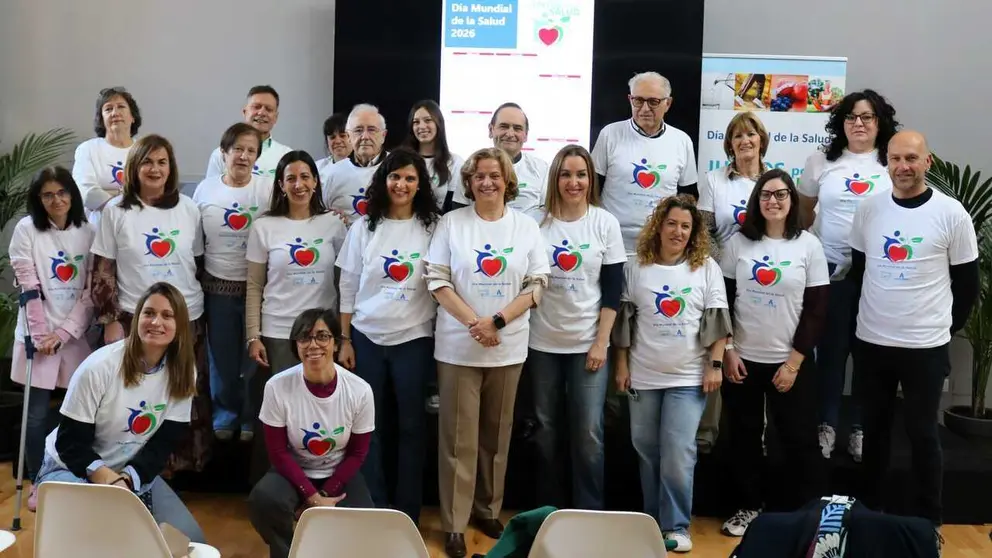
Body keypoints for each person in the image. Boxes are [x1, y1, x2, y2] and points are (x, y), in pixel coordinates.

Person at [849, 130, 978, 530]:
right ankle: (871, 514)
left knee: (923, 434)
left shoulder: (952, 213)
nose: (902, 167)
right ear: (886, 163)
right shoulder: (868, 209)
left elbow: (967, 286)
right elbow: (859, 273)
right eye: (895, 159)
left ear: (927, 162)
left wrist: (940, 329)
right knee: (875, 434)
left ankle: (929, 523)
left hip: (925, 346)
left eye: (911, 158)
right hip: (872, 342)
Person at [426, 147, 550, 558]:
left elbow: (537, 285)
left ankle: (488, 510)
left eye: (494, 175)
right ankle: (455, 523)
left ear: (507, 180)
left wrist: (496, 321)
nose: (487, 182)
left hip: (507, 349)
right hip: (458, 349)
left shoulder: (526, 227)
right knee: (458, 441)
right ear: (468, 182)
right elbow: (437, 281)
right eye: (478, 175)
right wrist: (474, 324)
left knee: (496, 437)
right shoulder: (451, 223)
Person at [34, 282, 206, 543]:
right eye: (149, 313)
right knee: (108, 539)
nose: (156, 322)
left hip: (127, 472)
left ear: (180, 325)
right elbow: (69, 444)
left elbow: (163, 443)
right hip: (72, 467)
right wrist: (111, 481)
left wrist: (128, 479)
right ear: (136, 318)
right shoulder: (99, 367)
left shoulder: (183, 371)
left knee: (190, 541)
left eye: (167, 315)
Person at [613, 194, 729, 553]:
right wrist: (621, 365)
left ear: (694, 233)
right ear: (659, 227)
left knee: (678, 452)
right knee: (647, 450)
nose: (678, 232)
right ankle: (652, 522)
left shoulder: (705, 267)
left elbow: (719, 321)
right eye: (672, 224)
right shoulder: (636, 267)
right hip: (644, 377)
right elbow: (625, 323)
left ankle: (677, 526)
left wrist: (715, 364)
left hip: (687, 378)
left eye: (685, 226)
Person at [719, 169, 829, 537]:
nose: (773, 201)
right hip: (743, 360)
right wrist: (729, 349)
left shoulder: (809, 246)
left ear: (792, 200)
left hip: (791, 362)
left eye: (781, 194)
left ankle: (800, 515)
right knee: (743, 438)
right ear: (757, 201)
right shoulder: (738, 244)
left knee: (798, 439)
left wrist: (795, 362)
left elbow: (816, 309)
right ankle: (748, 506)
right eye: (766, 195)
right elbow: (723, 301)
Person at [90, 134, 208, 472]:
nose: (155, 169)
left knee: (184, 390)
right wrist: (110, 319)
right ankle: (132, 467)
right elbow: (103, 269)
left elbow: (197, 263)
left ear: (171, 168)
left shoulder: (189, 209)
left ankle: (181, 466)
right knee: (137, 396)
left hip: (186, 316)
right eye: (147, 162)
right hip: (134, 318)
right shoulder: (116, 211)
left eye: (162, 162)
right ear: (134, 167)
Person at [334, 148, 439, 523]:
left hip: (414, 339)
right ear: (384, 180)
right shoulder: (364, 227)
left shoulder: (433, 227)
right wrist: (345, 338)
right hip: (366, 338)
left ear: (420, 184)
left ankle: (407, 511)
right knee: (368, 428)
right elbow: (348, 285)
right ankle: (373, 506)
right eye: (395, 177)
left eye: (410, 178)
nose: (402, 184)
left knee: (412, 427)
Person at [798, 89, 899, 462]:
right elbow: (804, 214)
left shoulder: (890, 163)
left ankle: (859, 428)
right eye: (851, 116)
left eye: (867, 117)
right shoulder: (821, 162)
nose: (859, 123)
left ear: (879, 123)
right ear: (841, 123)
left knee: (868, 356)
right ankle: (826, 424)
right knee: (831, 353)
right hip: (830, 272)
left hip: (877, 276)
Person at [527, 145, 625, 510]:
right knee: (545, 431)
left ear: (590, 179)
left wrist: (601, 342)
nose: (574, 182)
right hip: (541, 344)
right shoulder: (535, 222)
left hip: (588, 345)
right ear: (555, 178)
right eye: (566, 174)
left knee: (589, 434)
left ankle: (588, 511)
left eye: (581, 174)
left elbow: (613, 290)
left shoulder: (605, 222)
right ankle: (547, 512)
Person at [246, 151, 347, 481]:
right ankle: (273, 486)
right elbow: (254, 285)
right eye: (291, 178)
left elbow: (343, 282)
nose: (299, 184)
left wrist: (342, 335)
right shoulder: (264, 226)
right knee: (280, 414)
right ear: (281, 184)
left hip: (322, 335)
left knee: (317, 413)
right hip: (278, 334)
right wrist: (253, 335)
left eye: (305, 177)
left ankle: (315, 484)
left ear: (316, 181)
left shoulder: (333, 225)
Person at [248, 307, 375, 558]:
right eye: (304, 338)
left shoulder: (359, 390)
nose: (313, 344)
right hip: (292, 471)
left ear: (335, 344)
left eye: (322, 336)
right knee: (263, 500)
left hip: (338, 472)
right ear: (296, 346)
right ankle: (289, 551)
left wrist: (324, 495)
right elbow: (277, 453)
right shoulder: (277, 387)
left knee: (365, 520)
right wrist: (311, 496)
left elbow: (358, 453)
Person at [9, 167, 94, 507]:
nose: (56, 200)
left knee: (78, 411)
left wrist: (63, 332)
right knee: (35, 415)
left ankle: (70, 471)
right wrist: (42, 334)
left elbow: (90, 293)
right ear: (38, 199)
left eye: (62, 192)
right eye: (47, 194)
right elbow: (28, 287)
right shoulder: (26, 230)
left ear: (72, 194)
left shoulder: (89, 231)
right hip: (37, 335)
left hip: (73, 335)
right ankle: (37, 479)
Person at [192, 123, 273, 442]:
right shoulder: (205, 189)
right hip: (218, 286)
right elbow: (196, 242)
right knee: (221, 357)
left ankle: (252, 417)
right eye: (237, 149)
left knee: (255, 359)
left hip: (258, 289)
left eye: (251, 150)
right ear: (223, 153)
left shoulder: (268, 189)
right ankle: (225, 415)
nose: (244, 156)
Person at [696, 111, 770, 453]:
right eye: (737, 136)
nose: (745, 141)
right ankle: (708, 432)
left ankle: (760, 433)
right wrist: (721, 267)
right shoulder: (715, 180)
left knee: (755, 352)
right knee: (716, 349)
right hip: (721, 277)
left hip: (763, 278)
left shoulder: (774, 181)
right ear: (729, 144)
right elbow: (704, 231)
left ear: (761, 140)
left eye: (751, 135)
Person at [592, 72, 699, 256]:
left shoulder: (682, 141)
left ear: (668, 103)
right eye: (638, 101)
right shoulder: (610, 134)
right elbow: (592, 188)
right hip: (610, 243)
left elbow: (688, 198)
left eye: (653, 102)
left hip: (659, 247)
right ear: (630, 99)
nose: (645, 108)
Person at [452, 103, 549, 214]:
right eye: (504, 126)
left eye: (517, 128)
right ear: (491, 130)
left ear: (526, 135)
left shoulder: (542, 169)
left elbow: (548, 214)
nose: (510, 134)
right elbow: (458, 215)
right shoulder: (470, 168)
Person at [72, 86, 141, 227]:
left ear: (132, 117)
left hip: (138, 225)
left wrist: (109, 192)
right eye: (108, 109)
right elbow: (87, 194)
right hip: (99, 228)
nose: (115, 113)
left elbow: (151, 194)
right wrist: (127, 195)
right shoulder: (88, 149)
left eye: (121, 107)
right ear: (102, 119)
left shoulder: (144, 150)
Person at [205, 85, 292, 180]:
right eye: (256, 107)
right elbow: (211, 188)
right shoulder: (222, 154)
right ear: (245, 112)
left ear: (276, 117)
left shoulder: (286, 155)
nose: (261, 113)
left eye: (268, 109)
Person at [323, 103, 388, 225]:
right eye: (358, 130)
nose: (365, 137)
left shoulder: (397, 167)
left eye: (372, 130)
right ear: (349, 136)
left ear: (383, 136)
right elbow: (322, 213)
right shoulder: (334, 173)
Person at [404, 99, 465, 211]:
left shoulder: (455, 162)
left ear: (438, 123)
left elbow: (453, 207)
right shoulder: (403, 159)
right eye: (416, 122)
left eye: (428, 120)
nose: (422, 126)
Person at [316, 112, 352, 184]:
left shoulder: (363, 168)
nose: (338, 141)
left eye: (342, 136)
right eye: (332, 137)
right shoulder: (318, 167)